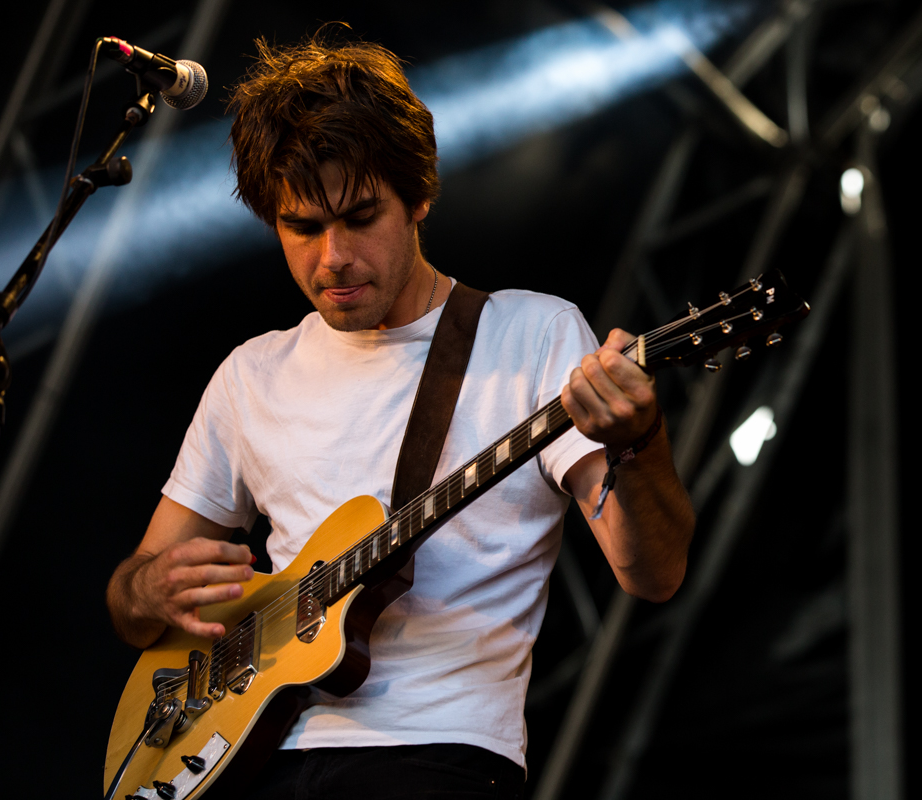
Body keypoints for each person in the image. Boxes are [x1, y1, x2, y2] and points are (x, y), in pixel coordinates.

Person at [106, 32, 694, 798]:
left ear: (419, 196)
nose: (333, 259)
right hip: (245, 754)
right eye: (302, 228)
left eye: (359, 216)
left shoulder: (533, 336)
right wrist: (145, 593)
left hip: (436, 754)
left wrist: (640, 442)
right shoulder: (250, 375)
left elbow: (653, 574)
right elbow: (133, 604)